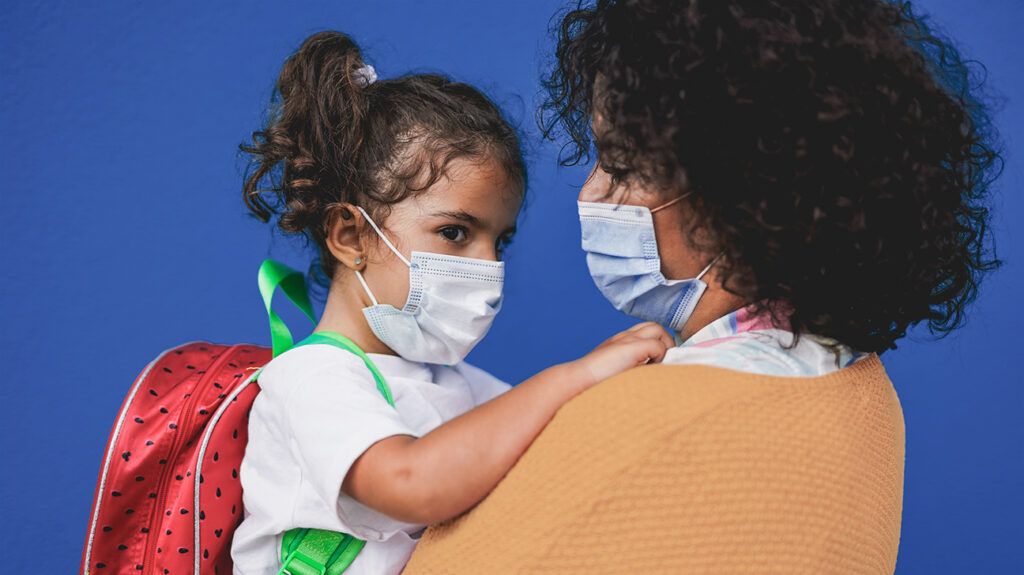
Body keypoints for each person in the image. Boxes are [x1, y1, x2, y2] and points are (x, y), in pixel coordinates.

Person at [403, 0, 1001, 572]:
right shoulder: (861, 393)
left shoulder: (639, 419)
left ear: (734, 199)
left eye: (620, 163)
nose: (590, 194)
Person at [230, 31, 674, 575]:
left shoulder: (456, 383)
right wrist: (574, 376)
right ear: (350, 236)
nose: (488, 266)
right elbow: (411, 484)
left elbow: (554, 445)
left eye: (500, 241)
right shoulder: (312, 379)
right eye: (457, 233)